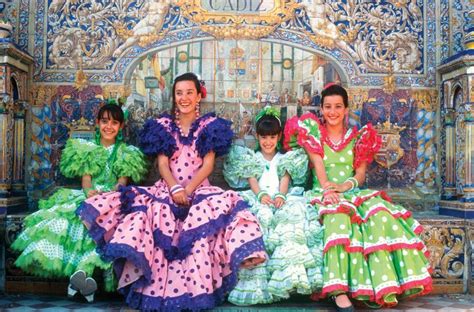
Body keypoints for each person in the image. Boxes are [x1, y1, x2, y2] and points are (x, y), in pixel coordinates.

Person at [77, 72, 266, 311]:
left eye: (189, 92)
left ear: (199, 96)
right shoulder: (164, 126)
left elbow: (207, 165)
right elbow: (163, 164)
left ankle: (197, 288)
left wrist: (187, 190)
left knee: (211, 222)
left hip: (199, 190)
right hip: (167, 188)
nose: (184, 98)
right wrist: (175, 188)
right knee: (149, 216)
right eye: (179, 93)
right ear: (174, 96)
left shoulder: (210, 126)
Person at [284, 84, 432, 311]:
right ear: (321, 109)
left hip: (350, 191)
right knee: (337, 217)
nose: (332, 112)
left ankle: (373, 285)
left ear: (346, 110)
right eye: (327, 107)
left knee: (380, 216)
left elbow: (360, 175)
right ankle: (338, 290)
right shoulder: (313, 133)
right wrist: (328, 190)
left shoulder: (359, 137)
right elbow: (318, 166)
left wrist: (344, 186)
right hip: (322, 192)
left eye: (338, 107)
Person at [12, 103, 147, 302]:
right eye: (104, 121)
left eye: (114, 122)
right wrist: (89, 192)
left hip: (112, 198)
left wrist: (110, 192)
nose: (108, 126)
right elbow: (86, 181)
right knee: (79, 220)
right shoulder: (88, 149)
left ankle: (83, 276)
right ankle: (83, 278)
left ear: (121, 127)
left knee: (103, 224)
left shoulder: (126, 153)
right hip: (91, 195)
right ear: (97, 123)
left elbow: (122, 183)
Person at [223, 106, 323, 305]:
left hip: (280, 198)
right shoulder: (251, 158)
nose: (268, 142)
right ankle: (257, 283)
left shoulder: (285, 159)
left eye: (272, 137)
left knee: (288, 224)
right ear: (258, 137)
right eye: (263, 138)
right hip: (258, 198)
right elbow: (252, 180)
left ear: (278, 137)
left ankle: (287, 280)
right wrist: (260, 195)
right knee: (259, 219)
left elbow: (284, 179)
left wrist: (280, 196)